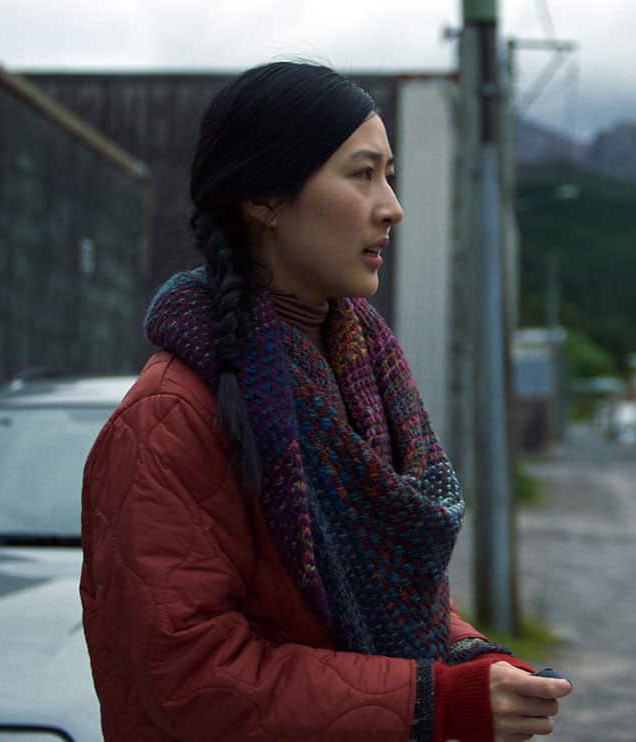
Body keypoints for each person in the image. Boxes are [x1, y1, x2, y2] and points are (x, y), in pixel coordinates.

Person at [80, 60, 571, 742]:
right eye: (361, 173)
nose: (391, 206)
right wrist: (433, 698)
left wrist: (472, 659)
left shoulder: (361, 376)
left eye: (389, 174)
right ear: (266, 200)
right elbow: (191, 681)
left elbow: (389, 593)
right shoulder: (172, 416)